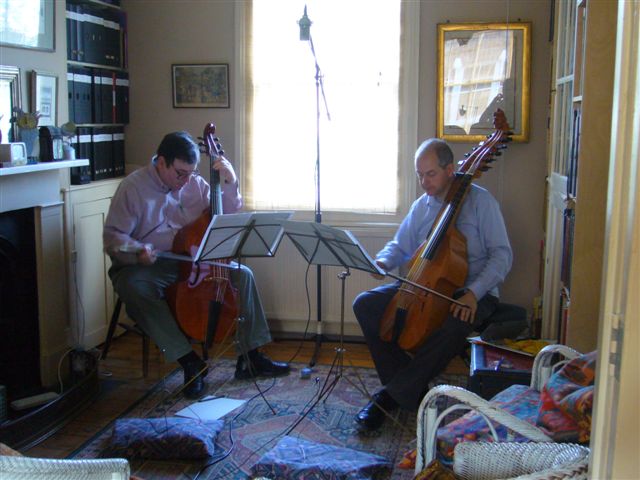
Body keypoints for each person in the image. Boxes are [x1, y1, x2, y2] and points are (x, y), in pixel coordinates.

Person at [103, 131, 289, 398]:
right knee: (133, 286)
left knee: (244, 275)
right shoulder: (133, 188)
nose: (186, 180)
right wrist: (136, 250)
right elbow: (113, 238)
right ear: (162, 162)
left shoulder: (195, 184)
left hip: (194, 261)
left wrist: (230, 181)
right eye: (180, 173)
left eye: (191, 173)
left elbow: (227, 215)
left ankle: (250, 357)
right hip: (151, 262)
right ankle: (189, 362)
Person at [352, 138, 512, 430]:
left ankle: (390, 395)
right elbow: (400, 245)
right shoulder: (422, 206)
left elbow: (502, 256)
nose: (424, 181)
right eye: (419, 174)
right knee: (365, 305)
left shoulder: (481, 202)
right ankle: (410, 389)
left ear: (450, 169)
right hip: (426, 287)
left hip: (473, 292)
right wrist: (383, 262)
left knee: (455, 322)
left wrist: (474, 293)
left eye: (430, 174)